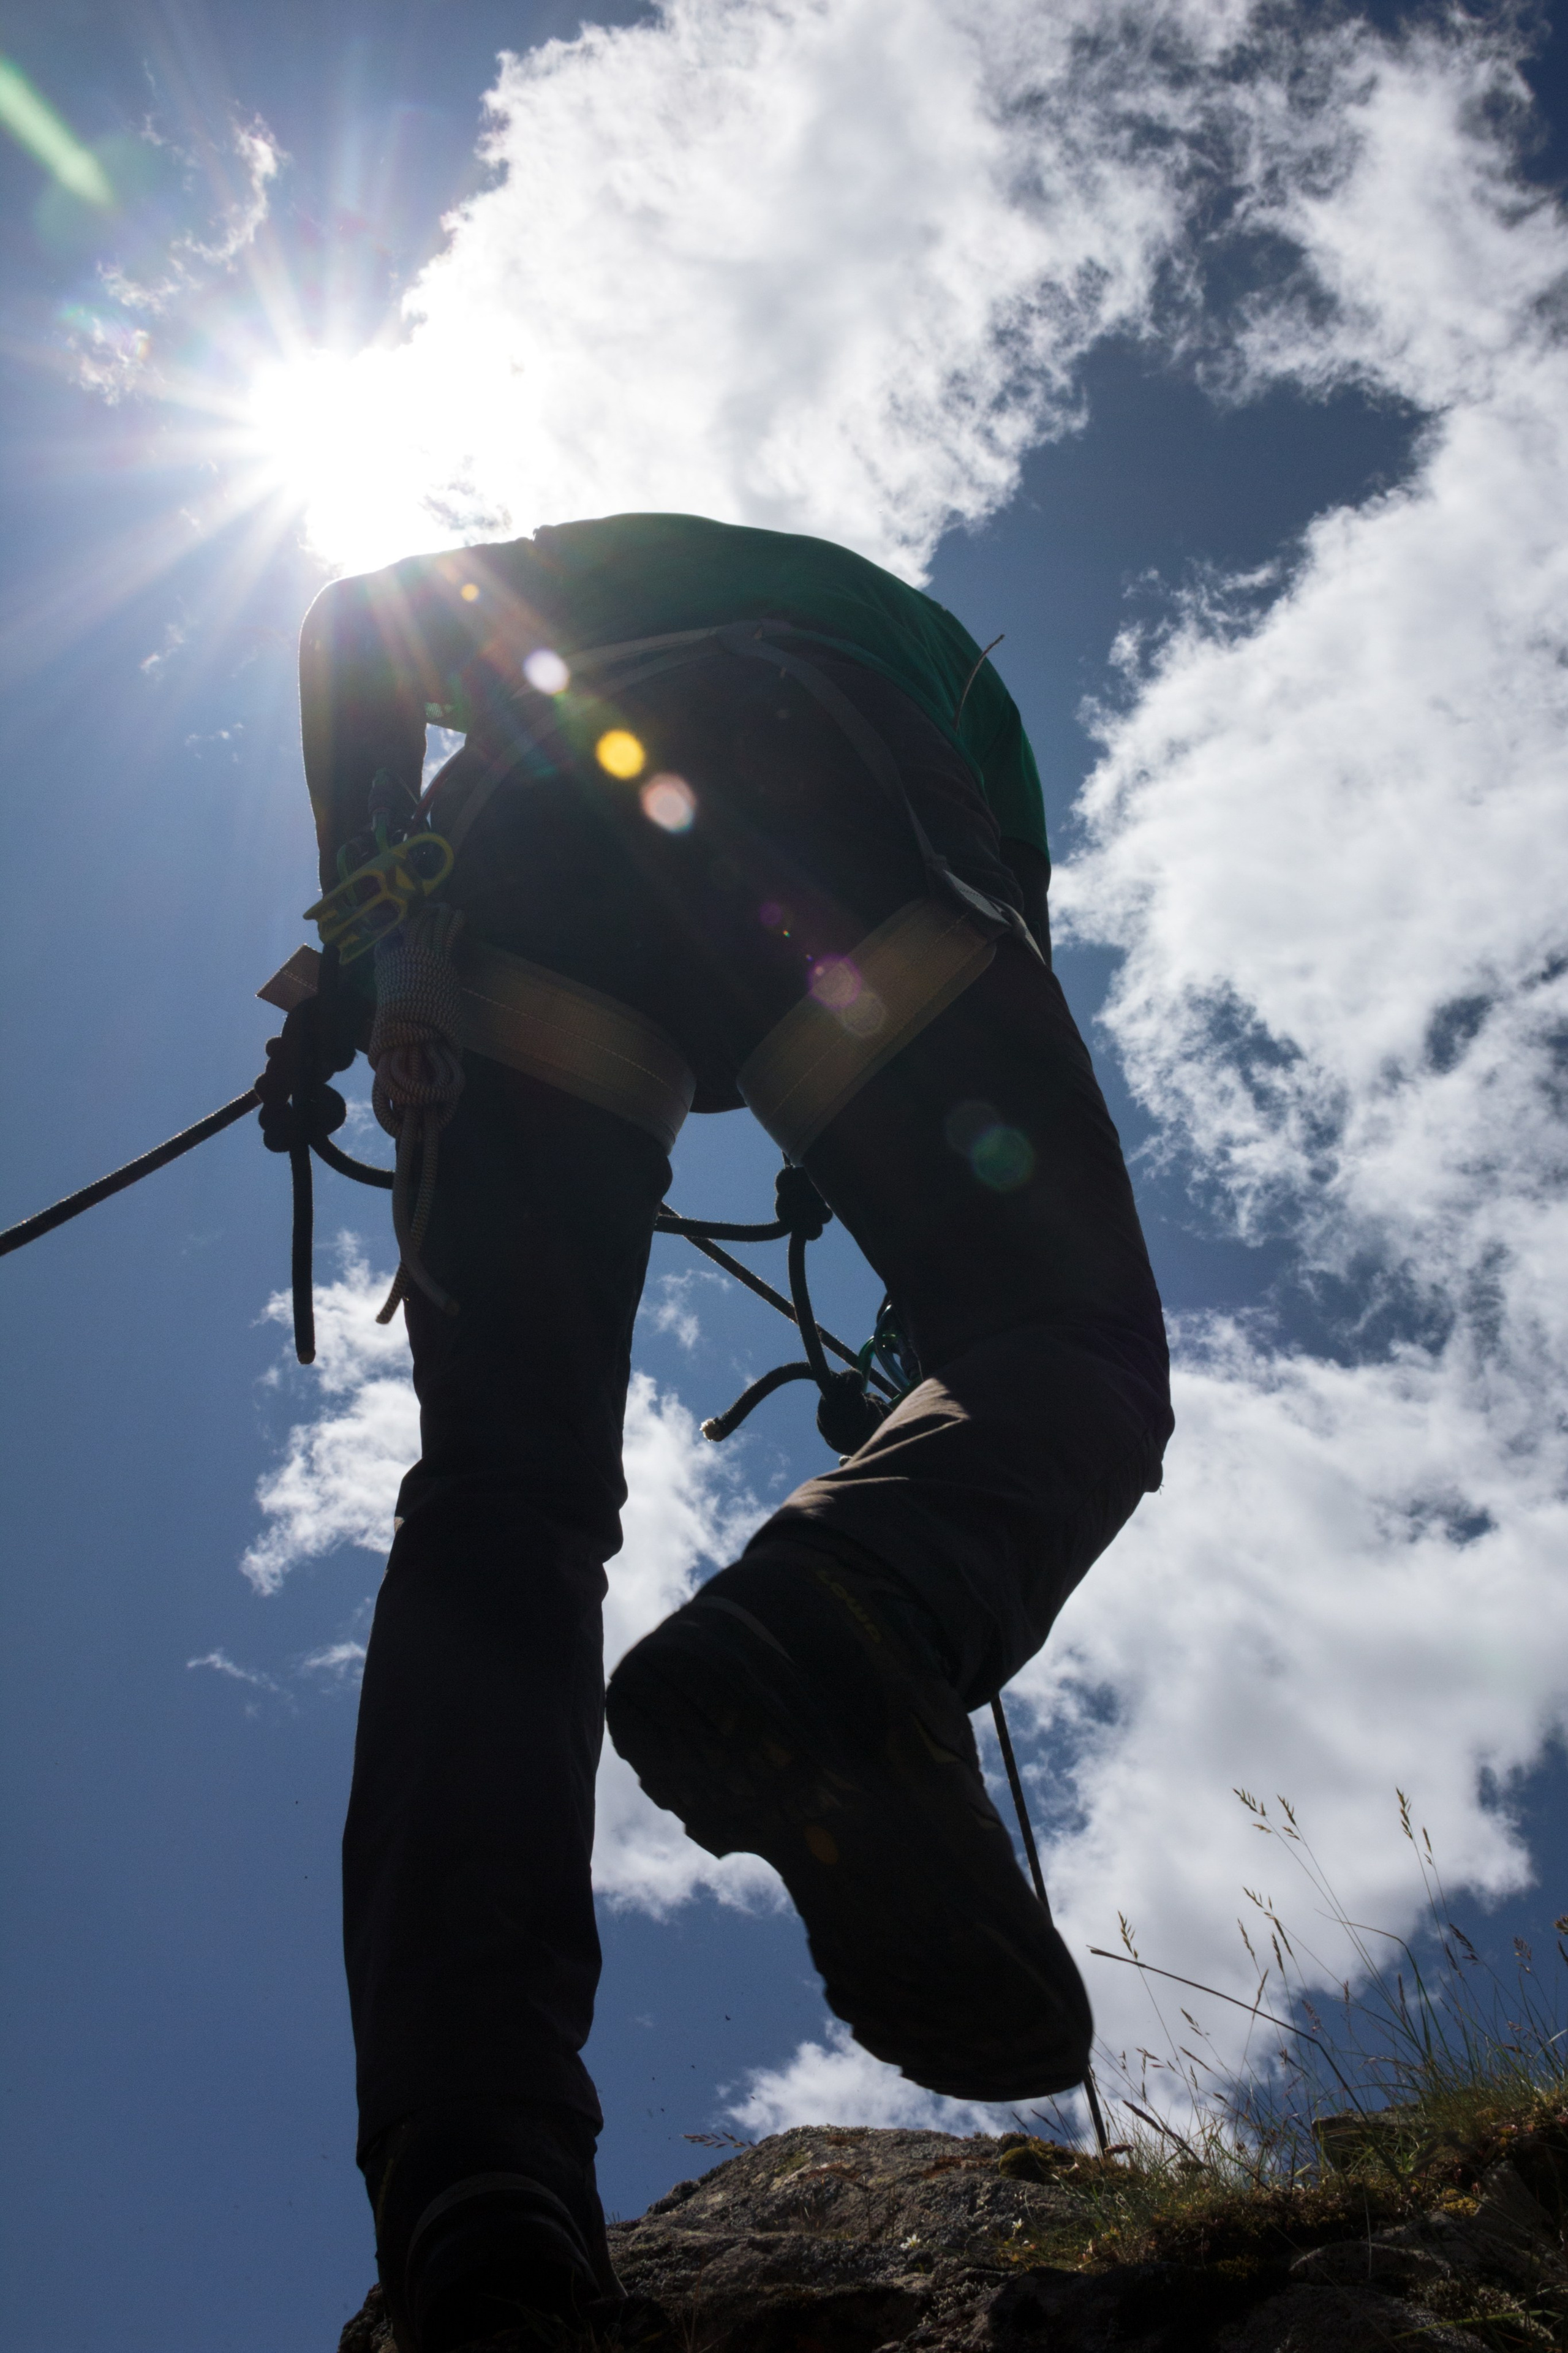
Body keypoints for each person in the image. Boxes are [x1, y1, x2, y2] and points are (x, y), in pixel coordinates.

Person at [296, 513, 1172, 2353]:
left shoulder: (590, 582)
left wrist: (382, 934)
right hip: (838, 797)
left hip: (515, 884)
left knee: (499, 1514)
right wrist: (916, 1364)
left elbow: (360, 622)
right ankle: (847, 1607)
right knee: (1060, 1338)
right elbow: (976, 1088)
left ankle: (479, 2201)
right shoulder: (948, 682)